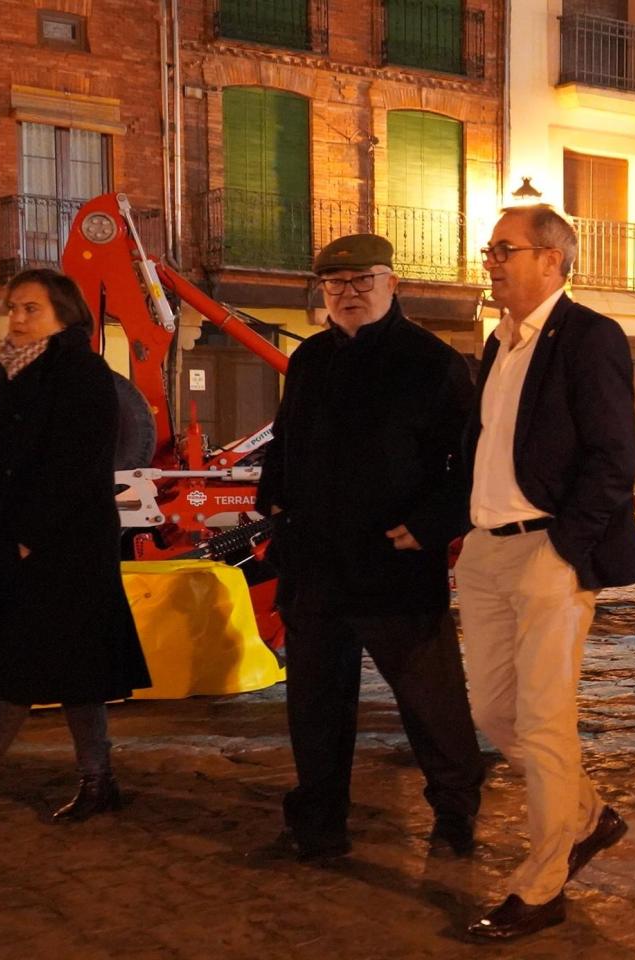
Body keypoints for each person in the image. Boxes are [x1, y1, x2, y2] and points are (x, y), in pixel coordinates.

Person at [253, 234, 484, 863]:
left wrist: (434, 523)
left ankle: (456, 812)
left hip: (394, 563)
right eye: (335, 285)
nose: (348, 295)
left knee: (429, 700)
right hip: (317, 563)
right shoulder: (310, 361)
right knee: (316, 704)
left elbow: (468, 460)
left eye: (362, 282)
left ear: (392, 284)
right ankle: (318, 825)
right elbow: (286, 441)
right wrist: (273, 499)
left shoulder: (432, 362)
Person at [458, 205, 635, 941]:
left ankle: (542, 888)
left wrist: (565, 547)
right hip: (485, 551)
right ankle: (589, 817)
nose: (492, 260)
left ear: (552, 260)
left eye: (505, 249)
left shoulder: (589, 338)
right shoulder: (497, 343)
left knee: (541, 723)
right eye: (490, 248)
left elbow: (615, 456)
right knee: (494, 715)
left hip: (545, 552)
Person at [0, 269, 150, 829]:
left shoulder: (83, 374)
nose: (17, 319)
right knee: (74, 665)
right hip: (14, 541)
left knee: (17, 664)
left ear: (64, 316)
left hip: (64, 546)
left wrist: (29, 538)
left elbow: (80, 469)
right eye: (13, 308)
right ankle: (99, 782)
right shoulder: (8, 373)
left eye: (30, 310)